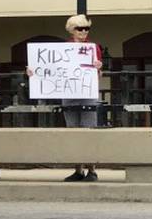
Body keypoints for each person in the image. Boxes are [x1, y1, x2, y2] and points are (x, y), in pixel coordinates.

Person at [29, 15, 103, 182]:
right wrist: (34, 72)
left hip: (87, 93)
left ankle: (92, 169)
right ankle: (78, 169)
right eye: (80, 28)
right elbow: (51, 69)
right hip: (69, 93)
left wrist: (98, 68)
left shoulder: (93, 47)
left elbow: (98, 74)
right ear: (72, 30)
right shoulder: (64, 48)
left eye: (86, 28)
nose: (84, 31)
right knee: (73, 131)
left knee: (89, 130)